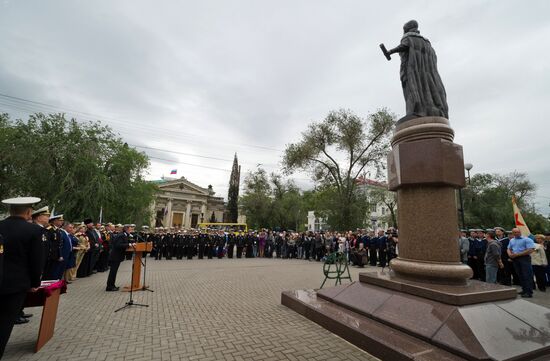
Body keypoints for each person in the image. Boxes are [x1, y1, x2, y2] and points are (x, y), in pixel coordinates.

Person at [0, 197, 44, 358]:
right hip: (16, 284)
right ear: (28, 212)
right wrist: (35, 282)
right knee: (5, 322)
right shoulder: (33, 230)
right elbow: (35, 260)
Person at [507, 228, 536, 298]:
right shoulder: (512, 240)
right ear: (512, 233)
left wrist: (517, 254)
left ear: (520, 232)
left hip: (524, 258)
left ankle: (529, 292)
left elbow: (530, 250)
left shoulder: (527, 239)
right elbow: (508, 248)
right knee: (520, 275)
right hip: (515, 259)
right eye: (514, 232)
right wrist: (509, 254)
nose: (516, 233)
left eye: (517, 232)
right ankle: (524, 290)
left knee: (527, 275)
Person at [106, 224, 135, 291]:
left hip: (117, 256)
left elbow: (124, 242)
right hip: (115, 256)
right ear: (127, 229)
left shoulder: (123, 235)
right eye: (130, 229)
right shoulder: (121, 235)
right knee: (113, 272)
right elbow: (118, 245)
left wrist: (131, 242)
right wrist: (128, 244)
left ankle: (112, 285)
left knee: (114, 271)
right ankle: (109, 287)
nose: (131, 230)